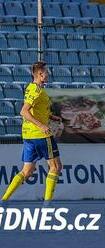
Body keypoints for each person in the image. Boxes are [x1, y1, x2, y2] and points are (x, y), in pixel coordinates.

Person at [0, 61, 63, 206]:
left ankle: (4, 200)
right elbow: (24, 111)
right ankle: (47, 204)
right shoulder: (37, 90)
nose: (48, 74)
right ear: (40, 75)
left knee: (27, 170)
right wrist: (41, 125)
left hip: (29, 136)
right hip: (40, 135)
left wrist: (50, 117)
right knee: (55, 167)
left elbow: (37, 110)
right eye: (46, 72)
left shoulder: (32, 88)